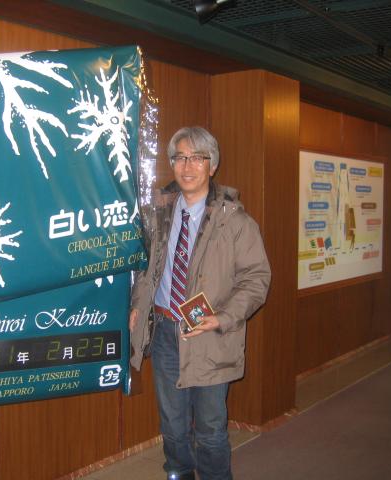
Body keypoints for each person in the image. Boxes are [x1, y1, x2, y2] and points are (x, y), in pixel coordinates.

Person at [129, 126, 271, 480]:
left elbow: (256, 279)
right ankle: (178, 474)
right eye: (179, 157)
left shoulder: (235, 222)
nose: (187, 166)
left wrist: (222, 318)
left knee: (210, 430)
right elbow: (146, 269)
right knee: (173, 428)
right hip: (165, 332)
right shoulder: (158, 215)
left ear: (212, 165)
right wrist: (138, 306)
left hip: (210, 335)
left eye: (197, 158)